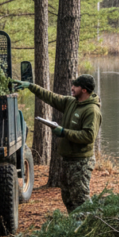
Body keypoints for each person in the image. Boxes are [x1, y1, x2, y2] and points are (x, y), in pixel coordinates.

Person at [15, 74, 102, 212]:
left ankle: (89, 228)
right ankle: (75, 228)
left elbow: (88, 136)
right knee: (67, 197)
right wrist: (31, 86)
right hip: (67, 160)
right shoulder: (71, 102)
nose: (72, 88)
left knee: (81, 200)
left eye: (75, 86)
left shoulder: (92, 110)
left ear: (84, 90)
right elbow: (50, 96)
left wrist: (63, 132)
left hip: (81, 162)